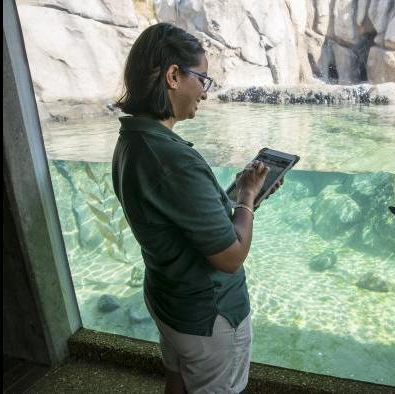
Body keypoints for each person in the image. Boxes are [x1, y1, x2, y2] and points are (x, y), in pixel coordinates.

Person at [111, 22, 281, 394]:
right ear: (174, 76)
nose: (205, 92)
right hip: (209, 316)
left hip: (168, 298)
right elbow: (231, 256)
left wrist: (243, 196)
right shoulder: (173, 158)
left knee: (178, 380)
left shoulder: (132, 141)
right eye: (202, 79)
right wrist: (247, 197)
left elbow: (184, 216)